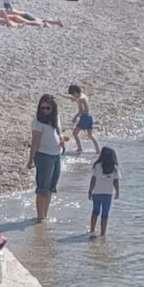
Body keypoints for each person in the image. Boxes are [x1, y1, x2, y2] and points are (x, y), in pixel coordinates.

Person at [27, 93, 64, 222]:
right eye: (43, 108)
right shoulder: (37, 122)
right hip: (44, 156)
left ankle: (45, 215)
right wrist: (31, 159)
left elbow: (58, 133)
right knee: (42, 188)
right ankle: (40, 217)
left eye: (48, 108)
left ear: (53, 108)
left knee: (50, 188)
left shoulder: (56, 118)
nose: (45, 111)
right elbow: (35, 141)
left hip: (56, 155)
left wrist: (61, 140)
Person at [89, 147, 120, 238]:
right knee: (105, 214)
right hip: (107, 194)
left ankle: (92, 229)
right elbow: (115, 181)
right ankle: (103, 233)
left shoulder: (97, 166)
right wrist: (117, 192)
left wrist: (90, 190)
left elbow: (93, 179)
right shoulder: (114, 168)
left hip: (97, 192)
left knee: (95, 211)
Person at [68, 84, 99, 154]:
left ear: (75, 92)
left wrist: (75, 117)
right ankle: (98, 150)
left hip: (84, 117)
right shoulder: (83, 96)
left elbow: (81, 110)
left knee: (75, 133)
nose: (73, 96)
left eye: (73, 94)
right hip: (90, 116)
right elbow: (84, 104)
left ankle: (80, 148)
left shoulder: (80, 99)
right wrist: (75, 100)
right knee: (90, 135)